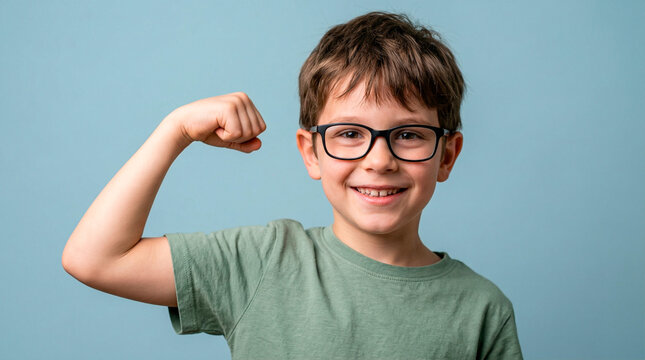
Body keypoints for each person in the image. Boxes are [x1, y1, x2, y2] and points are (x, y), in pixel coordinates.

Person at [62, 11, 523, 359]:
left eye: (407, 134)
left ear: (447, 155)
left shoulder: (483, 310)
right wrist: (175, 131)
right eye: (349, 134)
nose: (379, 161)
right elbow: (95, 259)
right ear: (310, 152)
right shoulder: (262, 263)